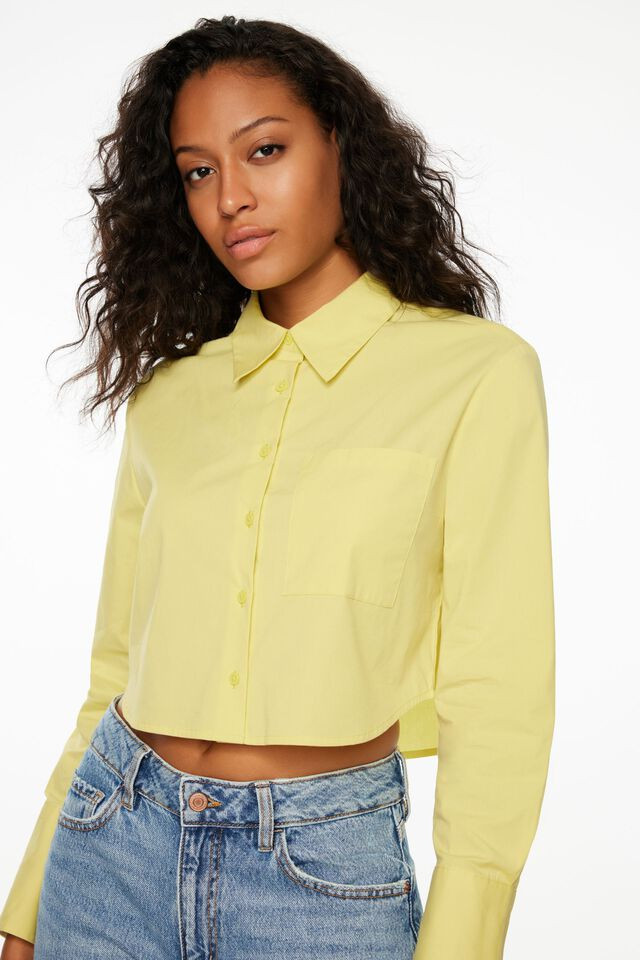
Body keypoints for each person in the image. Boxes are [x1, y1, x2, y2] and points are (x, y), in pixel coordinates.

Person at [0, 14, 555, 960]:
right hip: (110, 846)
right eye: (197, 171)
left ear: (340, 144)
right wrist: (25, 907)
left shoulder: (476, 374)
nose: (231, 199)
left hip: (321, 878)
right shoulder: (170, 399)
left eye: (264, 150)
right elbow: (115, 672)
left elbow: (498, 688)